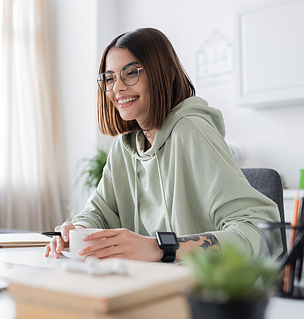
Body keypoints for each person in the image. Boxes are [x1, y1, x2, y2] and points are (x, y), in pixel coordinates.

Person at [44, 27, 281, 262]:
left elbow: (260, 231)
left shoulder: (191, 131)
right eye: (110, 78)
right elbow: (99, 212)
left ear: (166, 74)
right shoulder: (124, 147)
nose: (117, 87)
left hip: (203, 290)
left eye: (130, 73)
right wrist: (77, 229)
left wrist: (159, 247)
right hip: (146, 284)